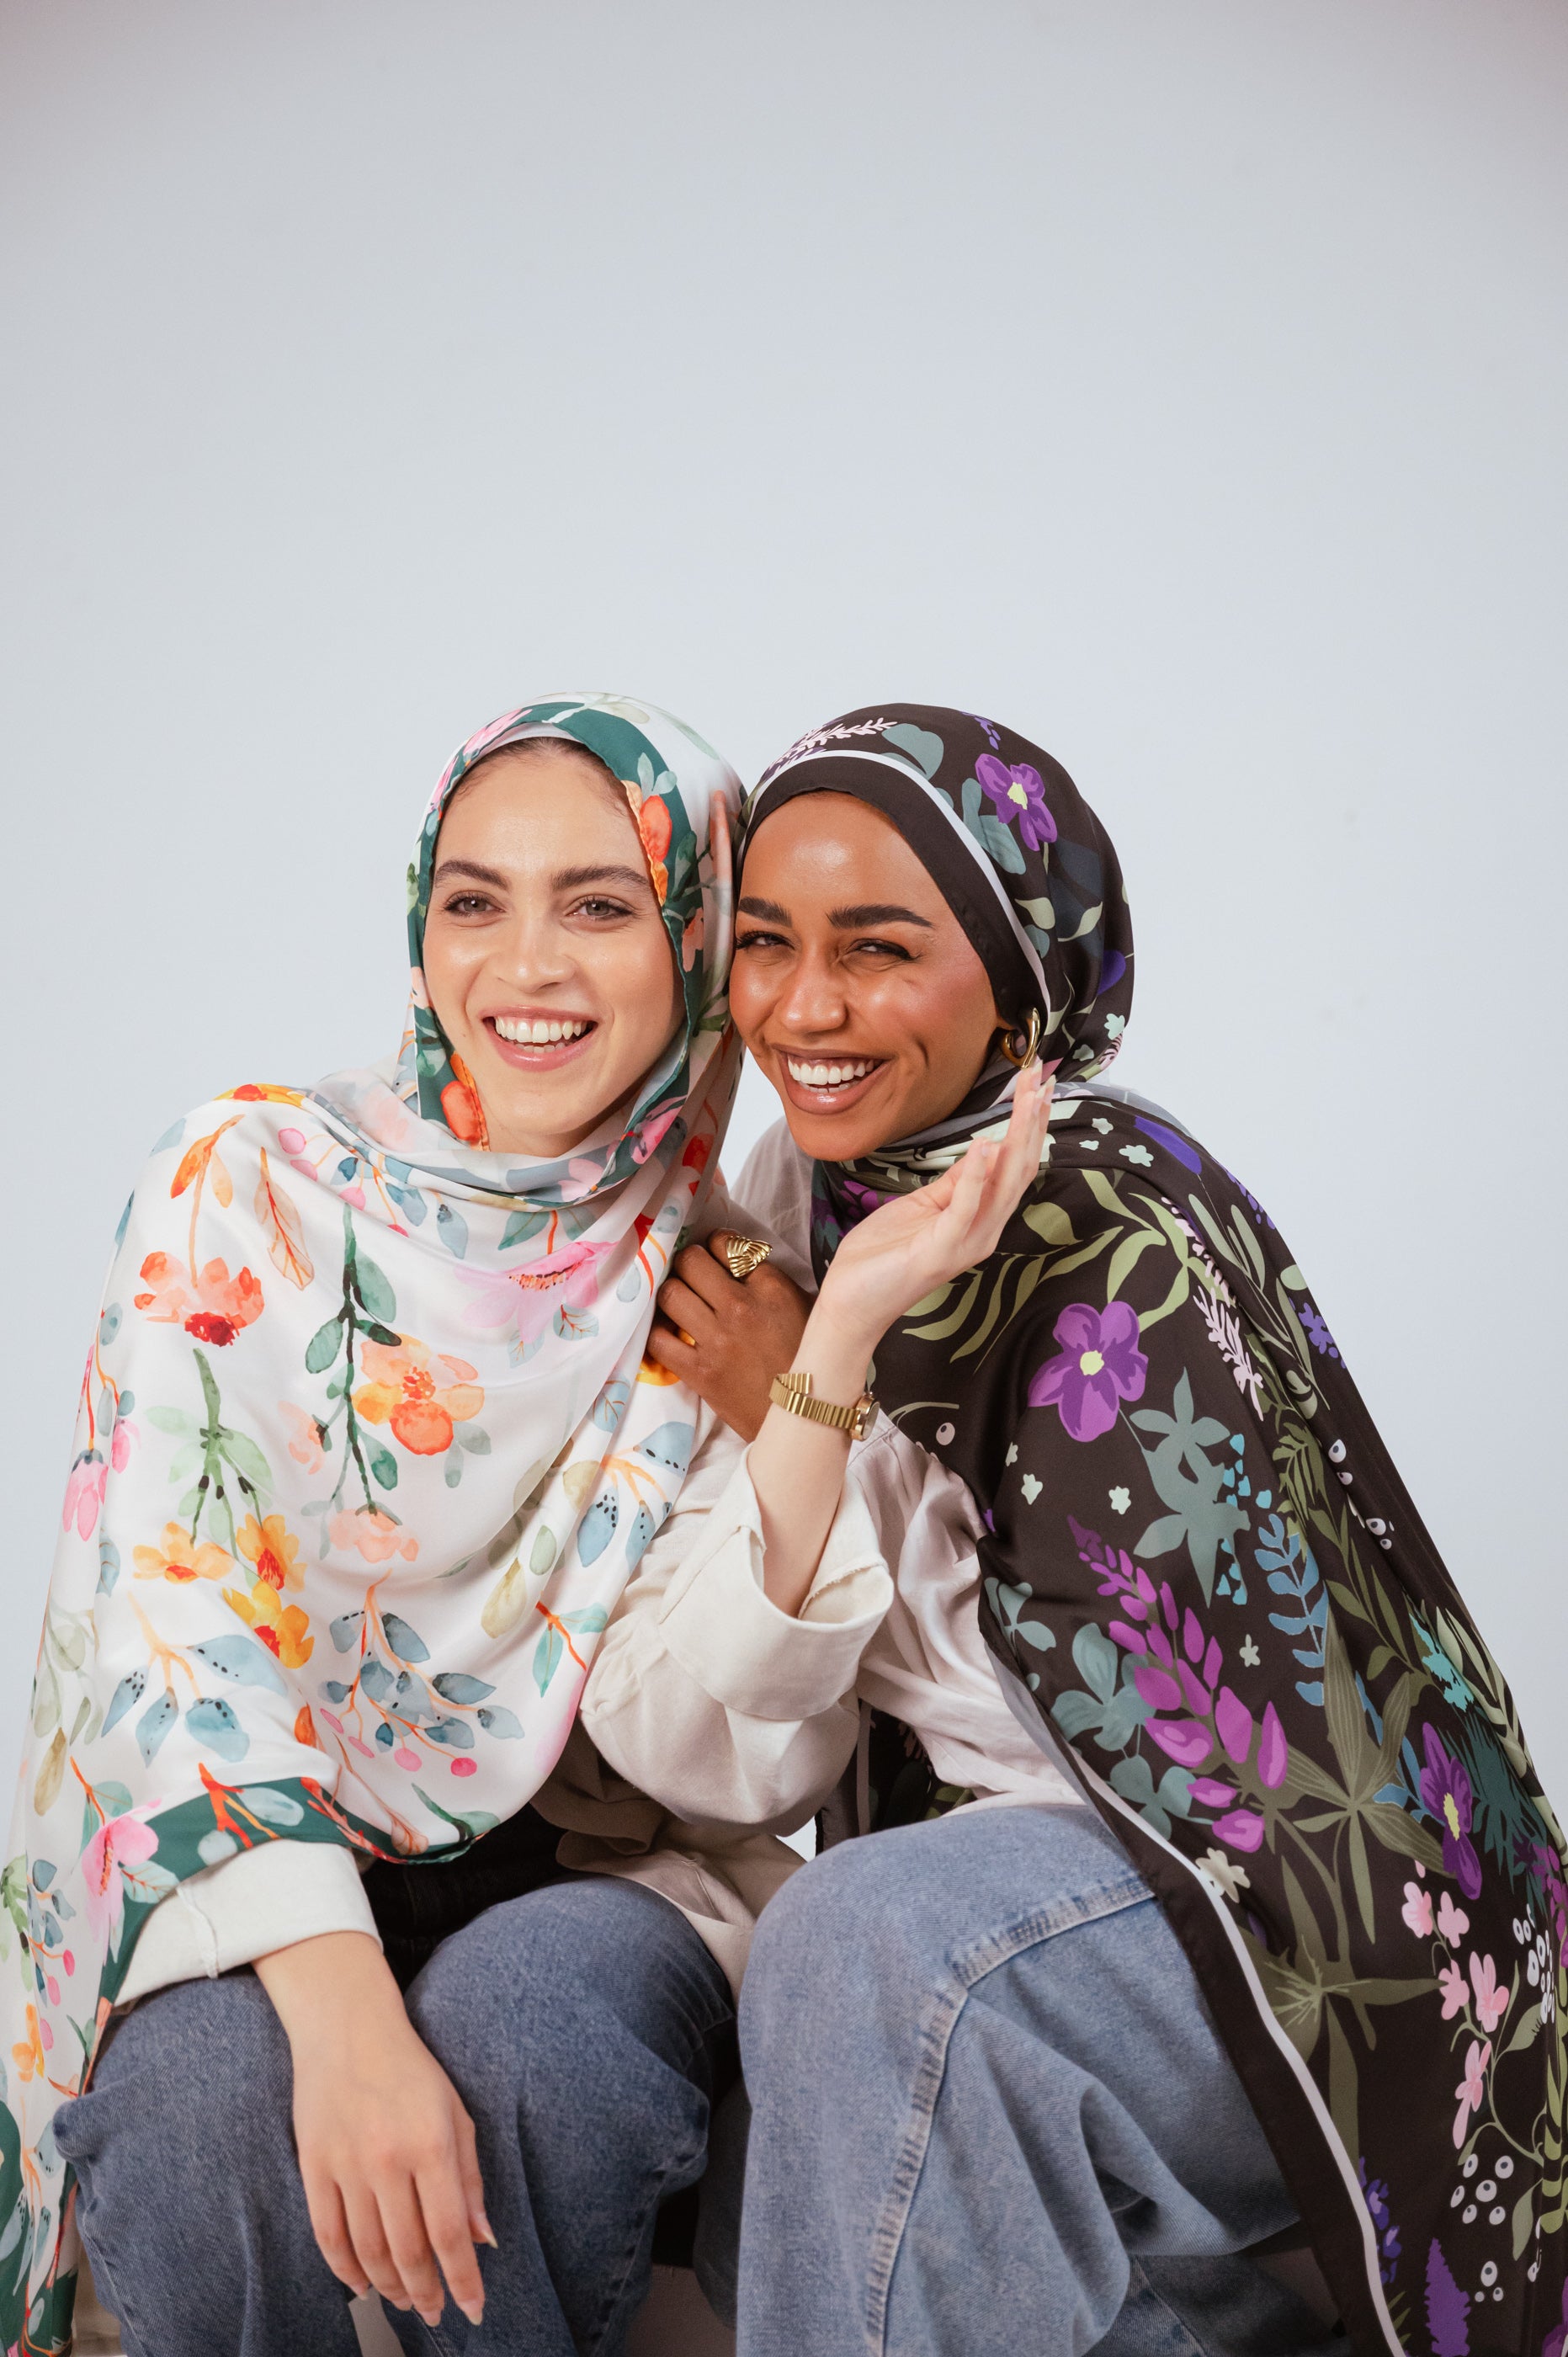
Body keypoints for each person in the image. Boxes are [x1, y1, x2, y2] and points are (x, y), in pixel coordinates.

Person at [597, 704, 1565, 2357]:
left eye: (878, 947)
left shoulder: (1120, 1228)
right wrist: (816, 1377)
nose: (802, 1006)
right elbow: (781, 1703)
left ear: (1018, 973)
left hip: (1265, 1905)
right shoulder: (799, 1180)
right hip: (1032, 1896)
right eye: (763, 941)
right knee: (810, 2118)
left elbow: (1106, 1731)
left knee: (870, 1950)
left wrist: (790, 1408)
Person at [11, 693, 782, 2357]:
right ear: (418, 925)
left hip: (600, 1867)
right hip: (248, 1866)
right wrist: (344, 2007)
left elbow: (742, 1753)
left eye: (600, 901)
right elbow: (176, 1611)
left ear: (702, 942)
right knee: (200, 2106)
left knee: (533, 2031)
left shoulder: (729, 1276)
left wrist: (796, 1407)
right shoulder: (254, 1178)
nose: (527, 965)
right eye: (473, 898)